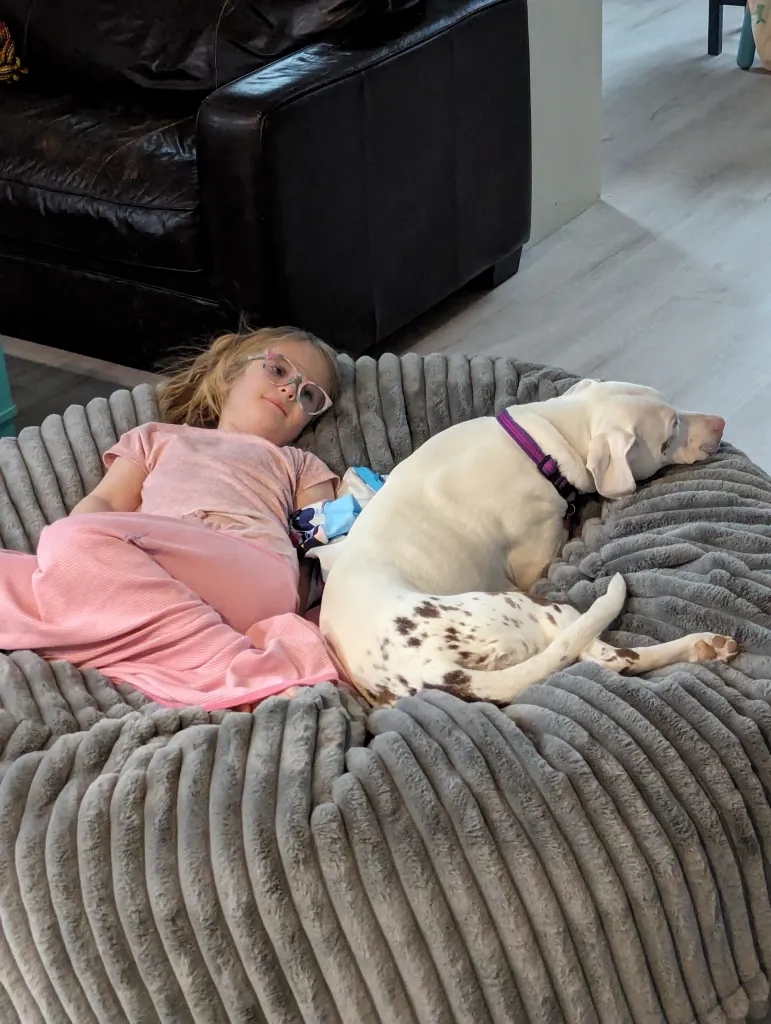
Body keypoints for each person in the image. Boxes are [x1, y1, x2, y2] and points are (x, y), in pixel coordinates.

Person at [0, 327, 345, 711]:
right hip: (152, 566)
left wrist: (295, 606)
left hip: (247, 567)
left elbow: (320, 544)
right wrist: (70, 565)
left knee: (66, 541)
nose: (290, 392)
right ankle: (166, 651)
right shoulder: (156, 437)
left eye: (309, 395)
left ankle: (228, 665)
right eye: (279, 371)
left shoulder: (299, 463)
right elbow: (106, 501)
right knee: (42, 555)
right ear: (230, 372)